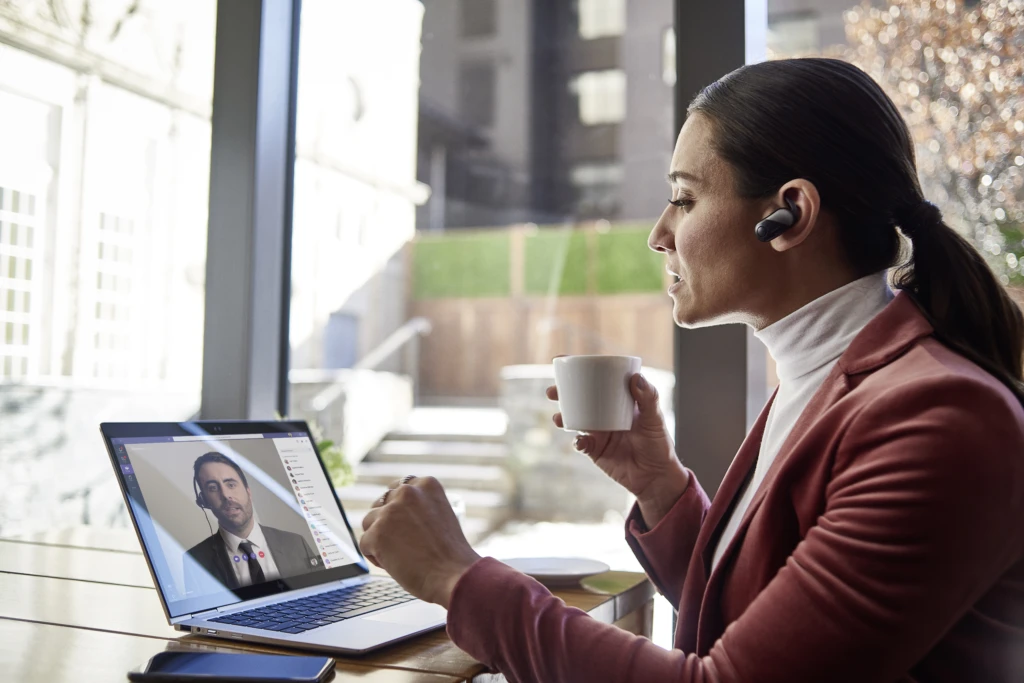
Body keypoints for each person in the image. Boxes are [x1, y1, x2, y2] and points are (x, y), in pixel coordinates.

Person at [357, 58, 1024, 682]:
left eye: (684, 197)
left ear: (788, 214)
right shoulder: (830, 378)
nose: (658, 233)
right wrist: (662, 489)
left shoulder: (935, 418)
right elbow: (767, 624)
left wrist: (458, 575)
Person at [184, 452, 321, 593]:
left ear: (248, 491)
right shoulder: (194, 562)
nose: (225, 495)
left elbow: (321, 596)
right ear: (204, 501)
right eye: (212, 488)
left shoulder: (296, 543)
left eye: (231, 484)